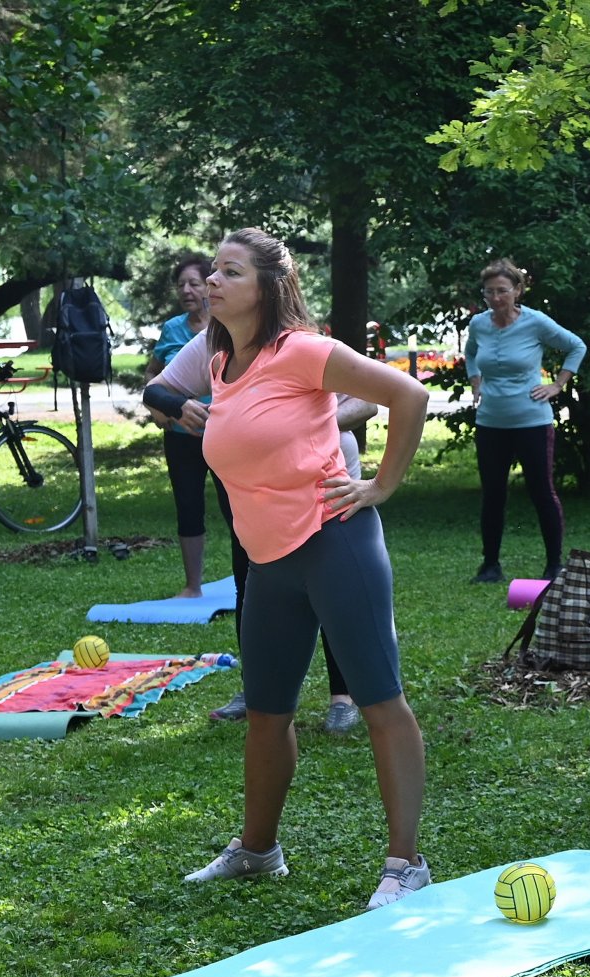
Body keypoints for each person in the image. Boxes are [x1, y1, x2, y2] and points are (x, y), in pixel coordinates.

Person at [156, 228, 431, 909]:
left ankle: (406, 865)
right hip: (268, 561)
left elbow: (408, 396)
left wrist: (382, 485)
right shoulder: (221, 362)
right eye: (212, 270)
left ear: (267, 288)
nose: (213, 282)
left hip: (335, 541)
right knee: (267, 712)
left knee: (380, 702)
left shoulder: (301, 351)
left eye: (230, 272)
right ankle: (257, 851)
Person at [148, 326, 371, 735]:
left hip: (324, 488)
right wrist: (179, 405)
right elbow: (155, 391)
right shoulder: (213, 342)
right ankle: (258, 692)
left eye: (230, 274)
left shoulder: (304, 343)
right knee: (248, 589)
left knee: (333, 596)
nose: (215, 284)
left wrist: (307, 420)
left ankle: (344, 697)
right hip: (253, 493)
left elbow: (371, 401)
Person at [463, 259, 587, 583]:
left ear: (517, 290)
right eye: (489, 292)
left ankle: (553, 565)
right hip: (490, 422)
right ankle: (490, 566)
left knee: (542, 492)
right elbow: (472, 353)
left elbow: (576, 346)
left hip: (532, 422)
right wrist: (475, 380)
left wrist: (557, 385)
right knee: (493, 494)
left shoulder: (534, 322)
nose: (495, 297)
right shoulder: (479, 324)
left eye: (502, 291)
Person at [146, 256, 223, 600]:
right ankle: (193, 586)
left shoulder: (226, 327)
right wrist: (162, 411)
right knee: (188, 507)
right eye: (181, 285)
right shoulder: (172, 329)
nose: (187, 291)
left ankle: (255, 580)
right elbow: (152, 375)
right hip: (181, 439)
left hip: (225, 436)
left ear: (210, 285)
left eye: (194, 283)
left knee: (238, 509)